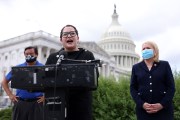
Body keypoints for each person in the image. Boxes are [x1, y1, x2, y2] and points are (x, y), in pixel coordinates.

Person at [45, 24, 98, 120]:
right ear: (61, 40)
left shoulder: (87, 56)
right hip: (57, 106)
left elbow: (94, 78)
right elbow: (46, 79)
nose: (69, 36)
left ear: (77, 38)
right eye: (65, 34)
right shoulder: (53, 57)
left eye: (72, 34)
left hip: (81, 108)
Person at [130, 41, 175, 120]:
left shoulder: (164, 65)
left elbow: (171, 87)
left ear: (155, 51)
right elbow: (133, 88)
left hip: (164, 111)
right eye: (143, 49)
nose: (145, 50)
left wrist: (161, 104)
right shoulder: (136, 67)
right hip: (143, 112)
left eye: (148, 48)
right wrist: (142, 104)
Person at [1, 46, 44, 120]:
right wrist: (10, 95)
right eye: (26, 54)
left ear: (36, 54)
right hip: (20, 103)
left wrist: (46, 96)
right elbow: (4, 82)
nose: (28, 55)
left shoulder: (43, 67)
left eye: (31, 53)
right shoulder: (18, 68)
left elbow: (52, 83)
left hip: (36, 104)